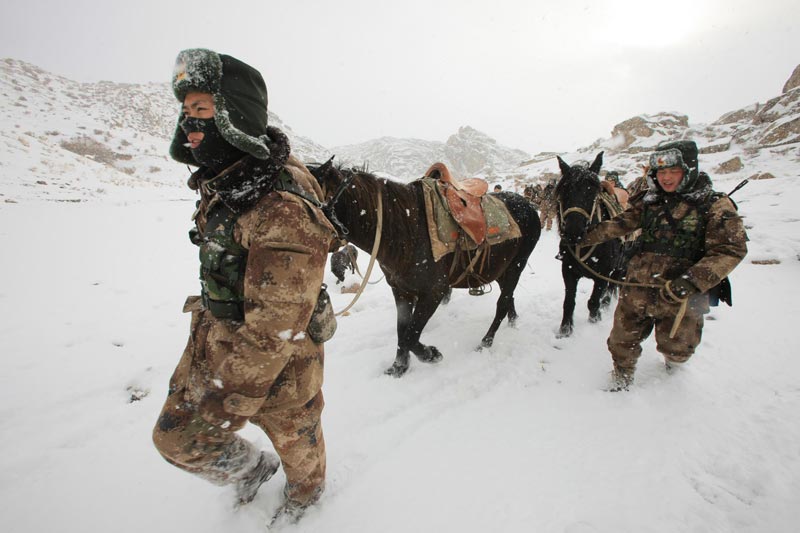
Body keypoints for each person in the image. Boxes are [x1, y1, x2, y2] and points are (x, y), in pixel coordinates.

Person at [152, 49, 339, 524]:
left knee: (302, 458)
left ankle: (306, 500)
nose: (190, 126)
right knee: (175, 439)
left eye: (202, 110)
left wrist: (227, 403)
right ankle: (254, 469)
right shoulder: (229, 181)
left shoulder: (281, 208)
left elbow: (274, 331)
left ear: (234, 116)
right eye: (186, 111)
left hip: (282, 366)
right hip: (215, 345)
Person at [581, 140, 747, 390]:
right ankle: (622, 376)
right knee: (621, 340)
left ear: (688, 170)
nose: (666, 178)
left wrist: (691, 282)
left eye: (674, 172)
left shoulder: (713, 206)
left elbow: (731, 250)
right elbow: (620, 224)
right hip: (638, 285)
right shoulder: (649, 202)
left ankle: (673, 368)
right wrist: (582, 238)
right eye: (661, 172)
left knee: (678, 347)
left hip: (682, 294)